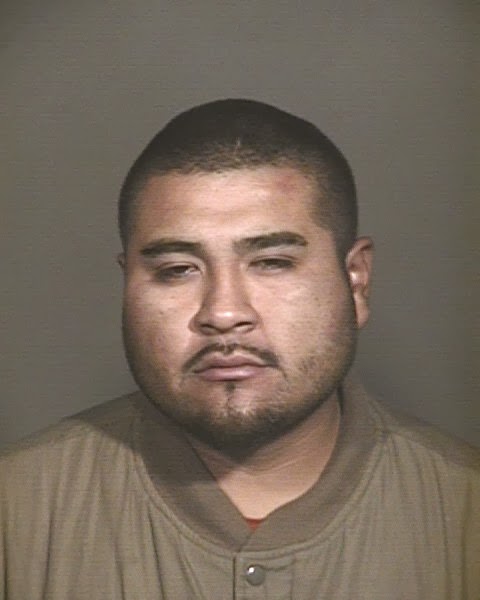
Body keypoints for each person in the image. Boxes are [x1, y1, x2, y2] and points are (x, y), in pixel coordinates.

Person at [0, 99, 478, 599]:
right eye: (177, 270)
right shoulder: (19, 511)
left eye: (272, 262)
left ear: (356, 281)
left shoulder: (463, 506)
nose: (224, 313)